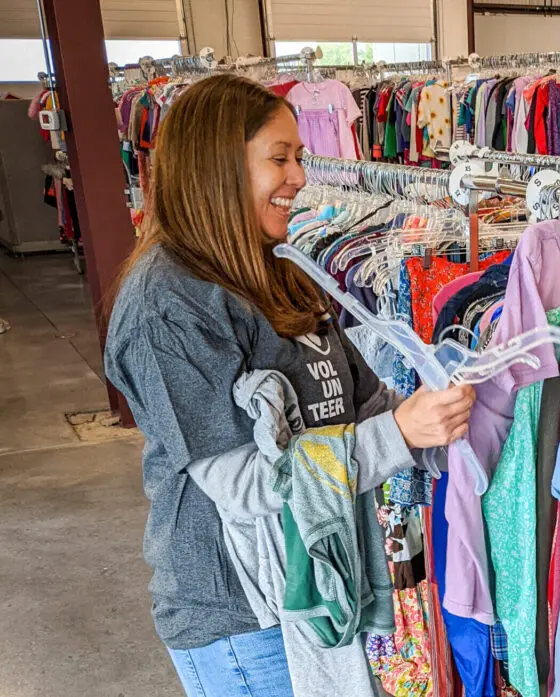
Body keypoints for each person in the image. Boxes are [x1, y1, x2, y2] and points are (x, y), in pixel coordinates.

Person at [104, 74, 474, 697]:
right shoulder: (165, 306)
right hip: (243, 618)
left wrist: (452, 409)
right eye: (280, 158)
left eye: (299, 156)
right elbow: (243, 486)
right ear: (216, 170)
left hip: (319, 587)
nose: (300, 176)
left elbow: (366, 405)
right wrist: (401, 434)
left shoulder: (281, 269)